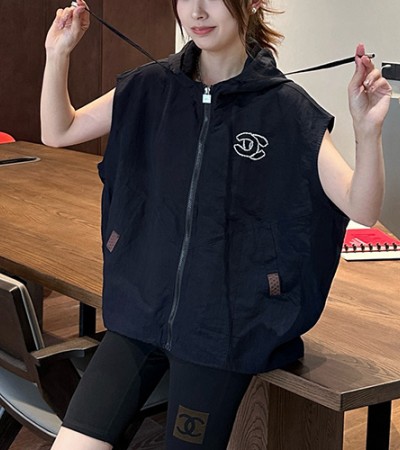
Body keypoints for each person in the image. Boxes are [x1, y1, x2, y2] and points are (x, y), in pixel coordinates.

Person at [41, 0, 391, 448]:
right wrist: (58, 54)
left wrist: (367, 132)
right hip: (138, 312)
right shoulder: (149, 86)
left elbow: (361, 207)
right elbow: (59, 131)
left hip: (221, 332)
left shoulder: (286, 109)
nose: (198, 12)